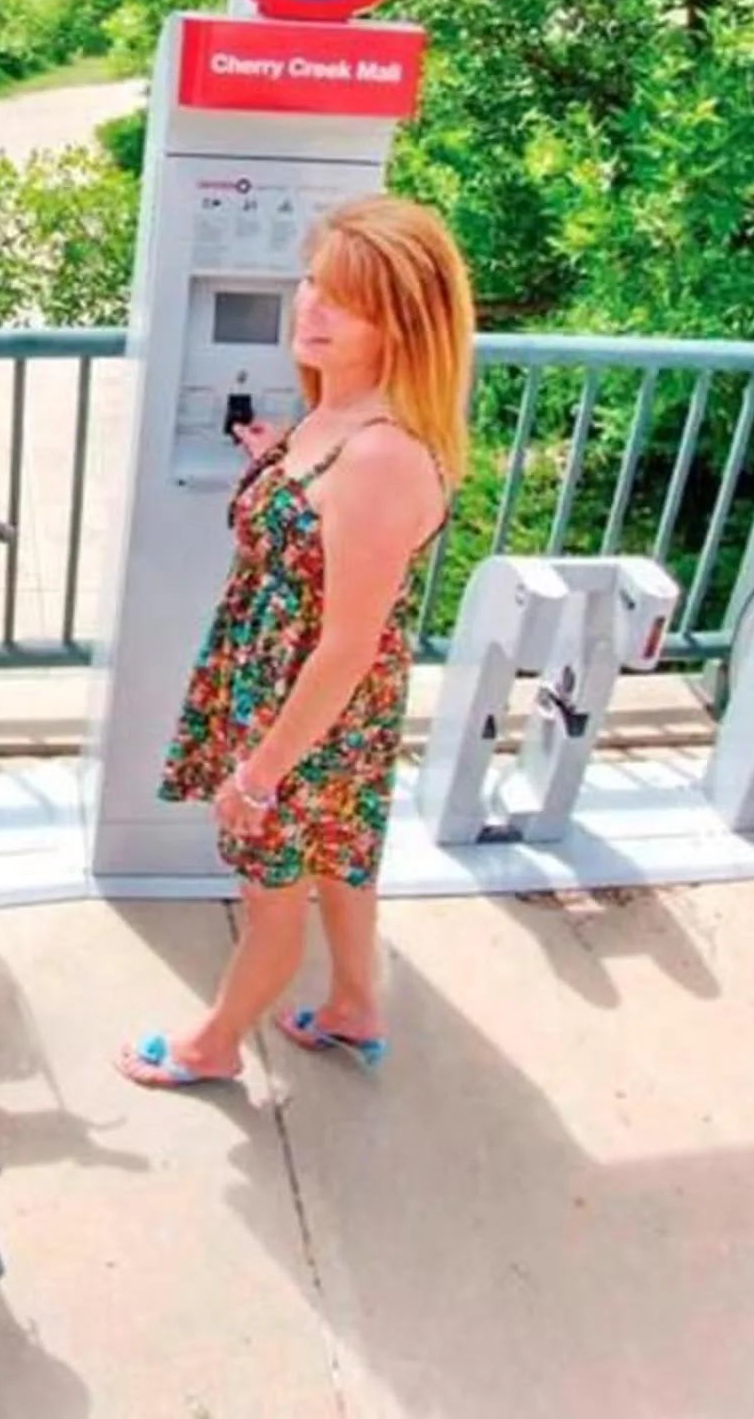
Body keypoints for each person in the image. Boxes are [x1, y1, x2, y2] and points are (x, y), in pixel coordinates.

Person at [116, 196, 474, 1089]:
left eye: (342, 300)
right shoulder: (337, 418)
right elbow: (323, 523)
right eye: (310, 282)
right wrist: (286, 458)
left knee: (272, 900)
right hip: (302, 700)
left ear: (400, 322)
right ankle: (357, 1003)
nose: (309, 309)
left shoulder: (382, 455)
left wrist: (260, 773)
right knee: (338, 858)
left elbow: (346, 647)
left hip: (311, 715)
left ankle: (214, 1044)